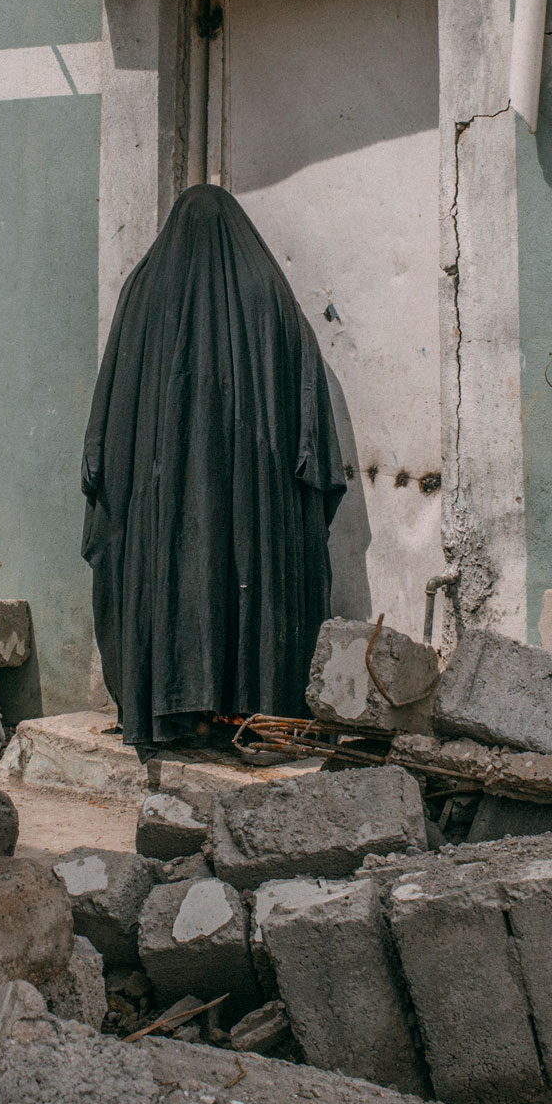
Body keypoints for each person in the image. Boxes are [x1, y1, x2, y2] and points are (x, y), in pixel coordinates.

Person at [82, 185, 346, 750]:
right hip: (253, 505)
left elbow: (108, 413)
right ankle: (246, 712)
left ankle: (175, 709)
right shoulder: (268, 293)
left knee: (176, 575)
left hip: (161, 504)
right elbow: (311, 425)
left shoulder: (145, 291)